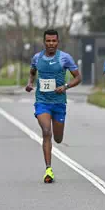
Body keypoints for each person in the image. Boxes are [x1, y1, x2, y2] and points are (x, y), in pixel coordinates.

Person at [25, 29, 81, 183]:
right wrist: (30, 83)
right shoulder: (37, 58)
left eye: (53, 41)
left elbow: (78, 77)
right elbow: (32, 72)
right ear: (44, 42)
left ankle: (56, 138)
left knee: (57, 138)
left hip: (59, 103)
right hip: (42, 102)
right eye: (48, 41)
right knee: (46, 131)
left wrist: (65, 86)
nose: (51, 44)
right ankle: (48, 169)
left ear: (57, 42)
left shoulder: (64, 58)